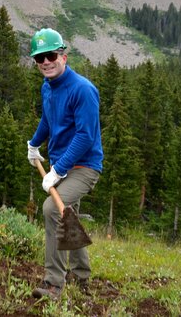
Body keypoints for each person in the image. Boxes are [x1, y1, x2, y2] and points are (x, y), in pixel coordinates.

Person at [26, 28, 103, 300]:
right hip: (63, 164)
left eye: (50, 55)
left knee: (52, 209)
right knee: (66, 214)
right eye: (39, 58)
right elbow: (48, 120)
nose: (45, 62)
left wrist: (57, 170)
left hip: (84, 167)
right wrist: (34, 144)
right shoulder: (48, 87)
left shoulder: (83, 90)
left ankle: (53, 283)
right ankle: (81, 276)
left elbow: (86, 136)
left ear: (63, 56)